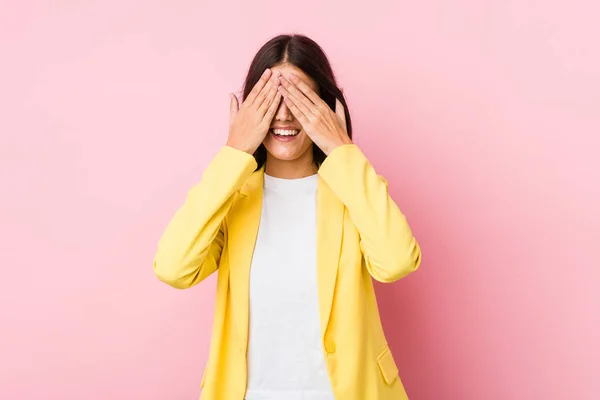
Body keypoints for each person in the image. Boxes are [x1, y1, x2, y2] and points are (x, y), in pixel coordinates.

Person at [153, 34, 422, 400]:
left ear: (325, 107)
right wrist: (234, 152)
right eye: (270, 100)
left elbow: (397, 261)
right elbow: (173, 267)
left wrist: (341, 150)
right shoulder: (232, 199)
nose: (283, 114)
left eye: (299, 98)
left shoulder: (352, 190)